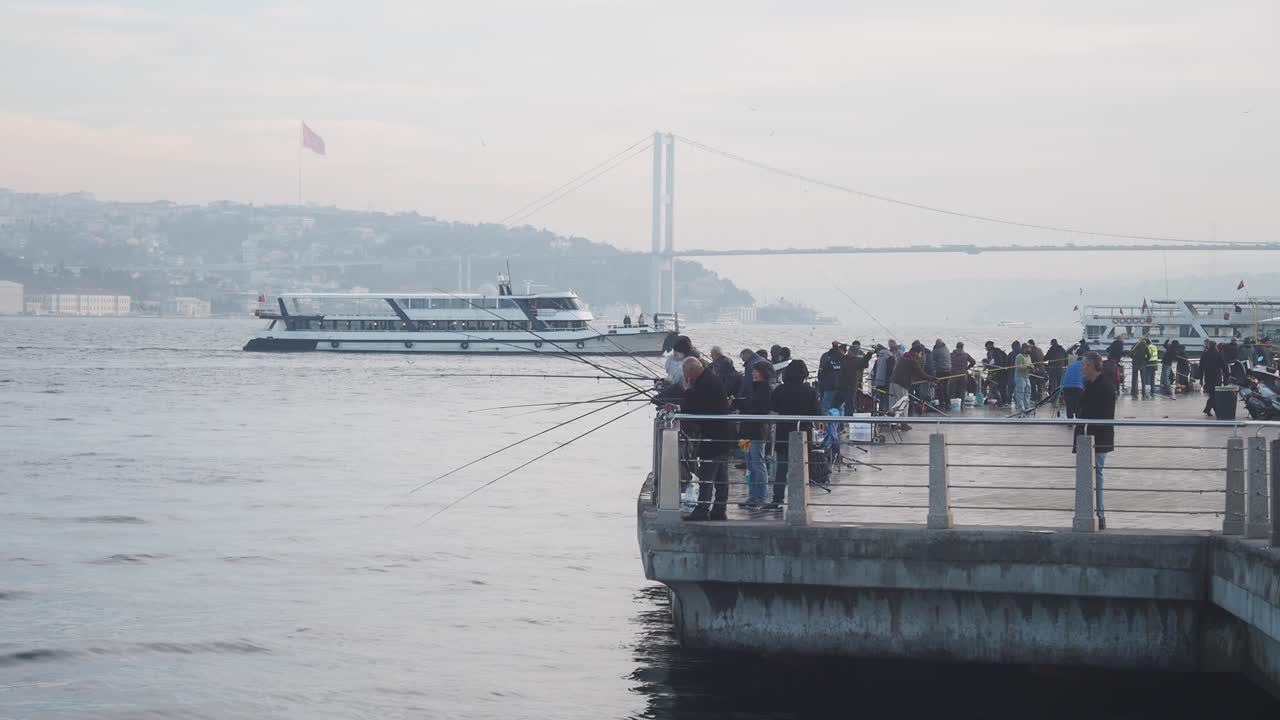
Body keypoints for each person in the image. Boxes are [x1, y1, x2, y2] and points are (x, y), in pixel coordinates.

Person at [672, 357, 734, 521]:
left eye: (685, 372)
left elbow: (693, 407)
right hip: (722, 434)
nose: (685, 375)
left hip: (713, 436)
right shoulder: (709, 379)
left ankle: (702, 510)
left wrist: (686, 390)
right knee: (721, 475)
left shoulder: (705, 383)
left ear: (693, 370)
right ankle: (719, 509)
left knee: (708, 474)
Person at [768, 360, 822, 511]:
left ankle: (777, 499)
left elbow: (774, 407)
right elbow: (816, 413)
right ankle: (799, 499)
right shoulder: (810, 391)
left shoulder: (780, 390)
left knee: (782, 467)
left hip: (784, 430)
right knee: (801, 467)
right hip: (802, 432)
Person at [1075, 351, 1116, 529]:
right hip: (1089, 436)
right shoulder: (1092, 383)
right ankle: (1094, 513)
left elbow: (1099, 413)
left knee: (1097, 474)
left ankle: (1100, 514)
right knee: (1092, 474)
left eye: (1084, 365)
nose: (1082, 369)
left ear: (1091, 366)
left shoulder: (1104, 385)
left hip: (1098, 437)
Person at [735, 361, 774, 509]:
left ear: (764, 372)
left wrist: (746, 408)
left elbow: (763, 409)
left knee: (757, 463)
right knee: (749, 463)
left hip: (757, 431)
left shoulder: (765, 389)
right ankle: (752, 496)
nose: (753, 373)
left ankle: (761, 496)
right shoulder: (751, 387)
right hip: (745, 431)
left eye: (756, 371)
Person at [890, 348, 935, 414]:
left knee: (893, 403)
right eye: (920, 354)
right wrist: (932, 378)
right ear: (916, 353)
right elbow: (921, 373)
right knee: (904, 403)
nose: (921, 356)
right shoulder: (913, 361)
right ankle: (903, 422)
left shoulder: (903, 358)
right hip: (901, 384)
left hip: (892, 383)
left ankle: (891, 421)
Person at [840, 341, 872, 413]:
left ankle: (847, 420)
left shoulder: (853, 360)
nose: (849, 352)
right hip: (845, 386)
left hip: (849, 387)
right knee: (846, 405)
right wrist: (869, 355)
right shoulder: (846, 359)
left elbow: (865, 364)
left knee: (849, 405)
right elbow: (864, 363)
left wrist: (869, 355)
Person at [1200, 340, 1225, 417]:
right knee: (1215, 395)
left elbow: (1201, 367)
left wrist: (1200, 378)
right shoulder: (1218, 354)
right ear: (1215, 346)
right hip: (1217, 377)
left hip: (1207, 377)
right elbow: (1223, 365)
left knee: (1212, 394)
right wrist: (1227, 374)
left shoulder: (1204, 354)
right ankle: (1216, 411)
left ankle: (1208, 409)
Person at [817, 341, 844, 410]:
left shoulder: (827, 358)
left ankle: (825, 420)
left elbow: (821, 373)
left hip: (828, 387)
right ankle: (840, 420)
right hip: (838, 388)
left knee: (825, 407)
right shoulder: (843, 359)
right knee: (839, 407)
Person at [1061, 350, 1086, 419]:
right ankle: (1078, 421)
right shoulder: (1084, 365)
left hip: (1066, 387)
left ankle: (1070, 420)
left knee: (1069, 405)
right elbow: (1086, 378)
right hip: (1078, 387)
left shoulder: (1070, 365)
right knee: (1078, 405)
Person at [984, 341, 1009, 406]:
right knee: (991, 385)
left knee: (1001, 388)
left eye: (987, 347)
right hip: (995, 372)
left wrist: (993, 374)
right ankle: (1000, 401)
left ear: (990, 345)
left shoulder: (997, 352)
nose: (986, 348)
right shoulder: (990, 353)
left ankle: (1003, 402)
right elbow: (991, 364)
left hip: (1002, 373)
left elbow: (999, 364)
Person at [872, 344, 895, 413]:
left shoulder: (878, 359)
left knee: (881, 398)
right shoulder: (890, 358)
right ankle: (887, 413)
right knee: (887, 398)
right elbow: (890, 370)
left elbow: (875, 370)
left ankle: (881, 412)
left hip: (878, 382)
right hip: (886, 381)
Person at [931, 339, 952, 407]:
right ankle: (948, 403)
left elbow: (931, 359)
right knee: (945, 387)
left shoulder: (936, 351)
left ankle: (941, 403)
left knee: (939, 388)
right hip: (948, 371)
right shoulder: (946, 349)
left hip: (940, 371)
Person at [1013, 345, 1033, 413]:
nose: (1030, 350)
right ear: (1024, 349)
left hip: (1026, 376)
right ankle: (1020, 407)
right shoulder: (1019, 356)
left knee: (1028, 391)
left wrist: (1033, 367)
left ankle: (1026, 406)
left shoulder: (1028, 356)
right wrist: (1027, 367)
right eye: (1028, 348)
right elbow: (1019, 367)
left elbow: (1031, 364)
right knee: (1020, 392)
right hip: (1020, 377)